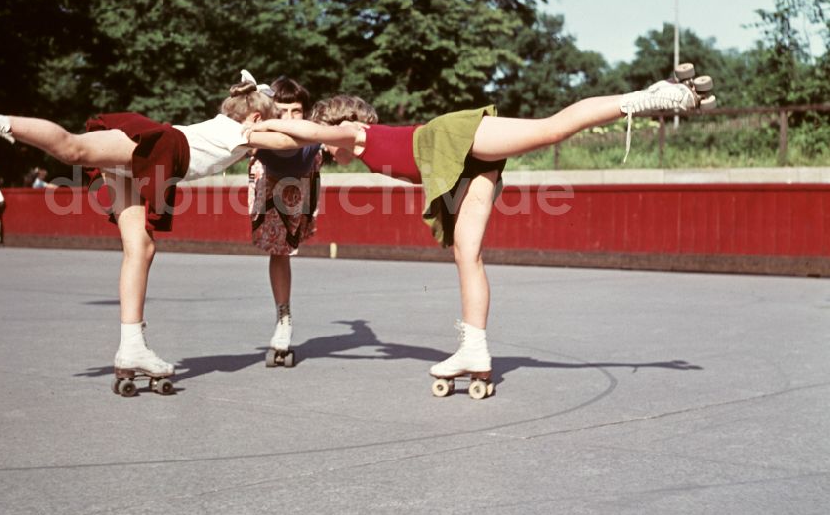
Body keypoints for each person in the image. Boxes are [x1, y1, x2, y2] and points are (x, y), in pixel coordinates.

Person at [245, 73, 717, 396]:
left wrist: (248, 128)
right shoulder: (354, 141)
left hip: (450, 141)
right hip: (459, 166)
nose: (327, 151)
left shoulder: (351, 132)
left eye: (320, 136)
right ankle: (475, 347)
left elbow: (300, 135)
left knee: (550, 130)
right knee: (467, 253)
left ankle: (651, 97)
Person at [0, 73, 303, 387]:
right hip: (159, 148)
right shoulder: (244, 132)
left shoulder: (230, 125)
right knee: (73, 149)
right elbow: (291, 139)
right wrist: (349, 133)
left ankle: (132, 346)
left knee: (141, 248)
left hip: (152, 162)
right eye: (271, 117)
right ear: (256, 119)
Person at [246, 74, 323, 363]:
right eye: (282, 112)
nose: (289, 118)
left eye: (296, 111)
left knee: (286, 249)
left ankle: (284, 316)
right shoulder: (262, 135)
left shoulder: (313, 138)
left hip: (300, 185)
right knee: (279, 251)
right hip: (270, 184)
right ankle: (284, 317)